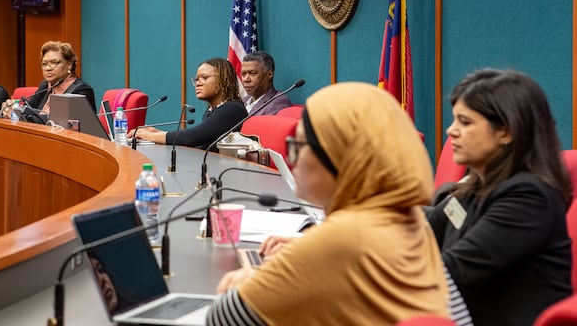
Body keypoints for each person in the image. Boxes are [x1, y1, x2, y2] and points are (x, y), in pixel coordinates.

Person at [207, 82, 449, 325]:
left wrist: (253, 280)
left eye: (298, 146)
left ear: (339, 157)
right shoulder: (411, 219)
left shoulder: (342, 239)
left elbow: (222, 318)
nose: (293, 159)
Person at [426, 68, 572, 326]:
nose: (451, 131)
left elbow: (452, 269)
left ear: (506, 131)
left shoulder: (529, 197)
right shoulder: (475, 187)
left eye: (465, 122)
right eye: (454, 120)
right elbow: (426, 225)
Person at [130, 57, 247, 150]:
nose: (198, 83)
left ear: (223, 79)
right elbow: (201, 137)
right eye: (196, 79)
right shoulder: (213, 109)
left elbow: (191, 138)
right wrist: (158, 133)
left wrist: (147, 135)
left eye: (204, 78)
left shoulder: (232, 109)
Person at [0, 41, 95, 119]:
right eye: (44, 64)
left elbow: (61, 123)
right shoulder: (45, 85)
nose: (48, 68)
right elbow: (28, 109)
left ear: (69, 64)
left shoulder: (81, 90)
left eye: (54, 63)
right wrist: (14, 109)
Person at [240, 51, 292, 115]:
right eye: (243, 74)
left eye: (252, 73)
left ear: (270, 74)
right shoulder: (242, 101)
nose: (246, 79)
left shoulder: (278, 102)